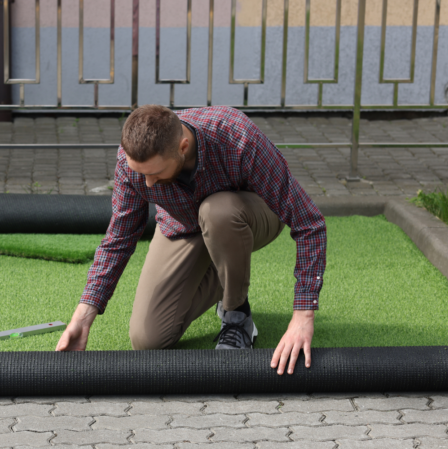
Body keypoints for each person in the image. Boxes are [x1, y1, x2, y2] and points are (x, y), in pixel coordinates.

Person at [56, 105, 326, 376]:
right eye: (141, 174)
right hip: (183, 225)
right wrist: (83, 316)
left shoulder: (235, 135)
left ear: (183, 147)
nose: (147, 184)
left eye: (156, 173)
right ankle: (225, 279)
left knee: (217, 212)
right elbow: (119, 238)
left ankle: (237, 315)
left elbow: (309, 223)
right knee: (147, 339)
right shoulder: (132, 161)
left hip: (250, 216)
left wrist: (303, 315)